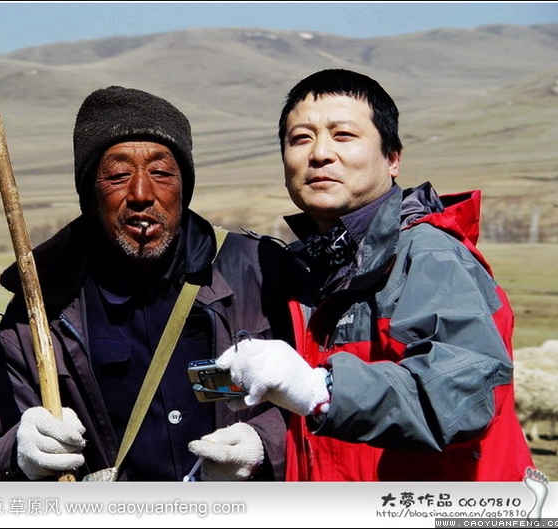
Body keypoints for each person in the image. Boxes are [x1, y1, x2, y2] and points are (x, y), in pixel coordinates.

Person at [216, 68, 535, 481]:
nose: (319, 154)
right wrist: (264, 442)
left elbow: (462, 398)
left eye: (343, 135)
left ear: (393, 158)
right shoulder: (313, 270)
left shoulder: (429, 256)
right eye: (300, 138)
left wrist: (319, 390)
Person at [0, 86, 293, 481]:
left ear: (184, 188)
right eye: (118, 175)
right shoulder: (41, 313)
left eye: (161, 172)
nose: (141, 193)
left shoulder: (259, 274)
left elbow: (324, 408)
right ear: (90, 194)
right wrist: (21, 457)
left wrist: (265, 443)